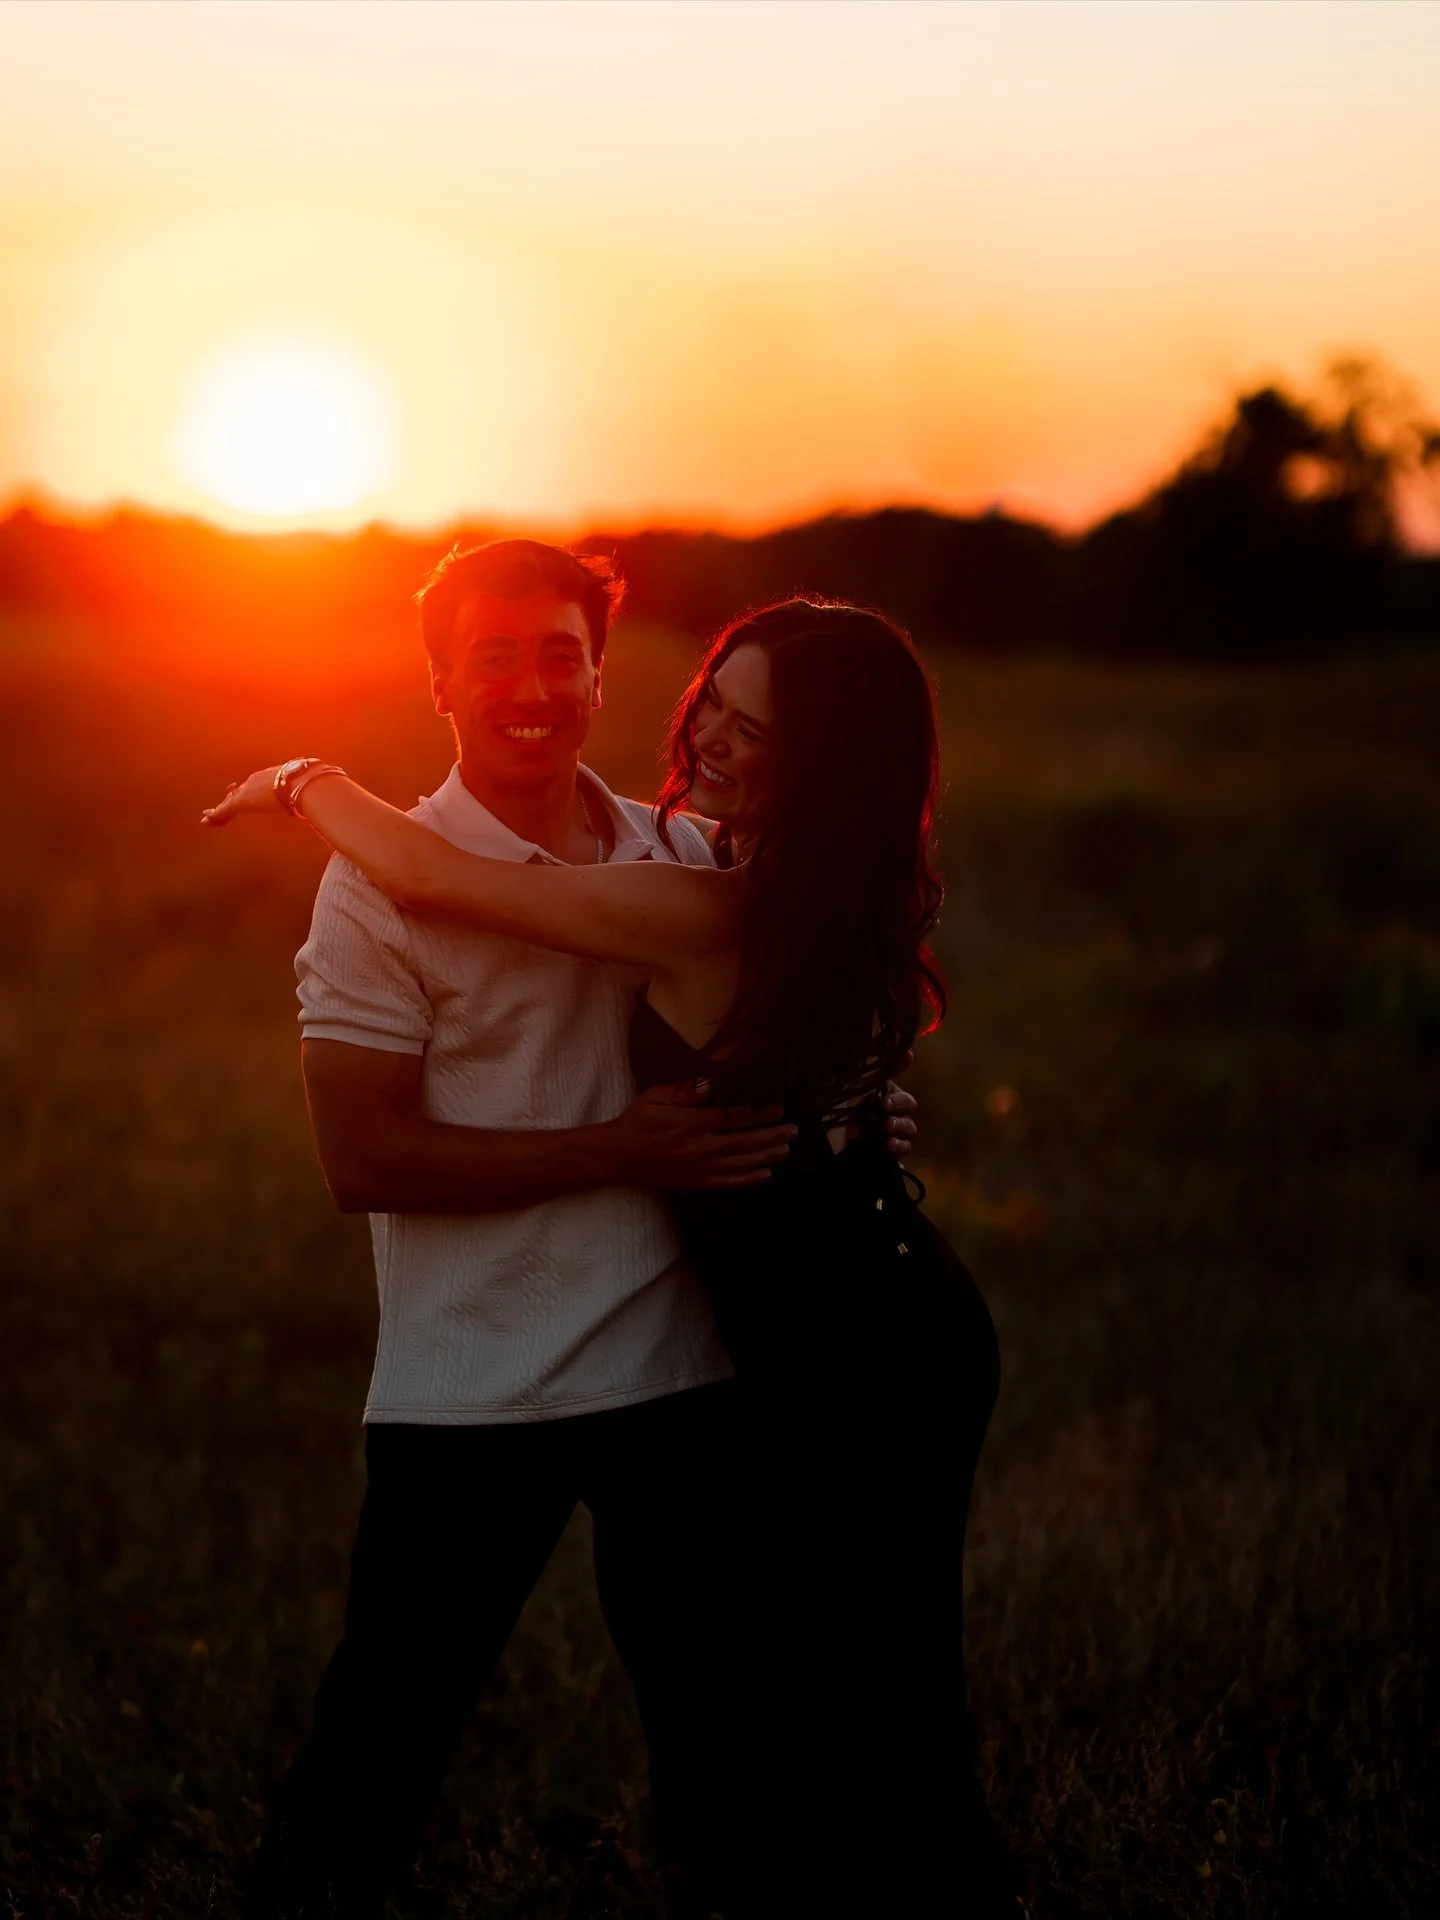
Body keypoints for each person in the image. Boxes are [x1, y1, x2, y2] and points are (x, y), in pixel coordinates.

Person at [208, 582, 1017, 1915]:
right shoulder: (761, 878)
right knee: (397, 1739)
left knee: (850, 1717)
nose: (709, 740)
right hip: (731, 1342)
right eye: (714, 705)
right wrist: (814, 1119)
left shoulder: (697, 881)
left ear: (595, 677)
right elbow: (360, 1148)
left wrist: (303, 777)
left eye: (753, 729)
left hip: (809, 1358)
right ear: (444, 683)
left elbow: (443, 876)